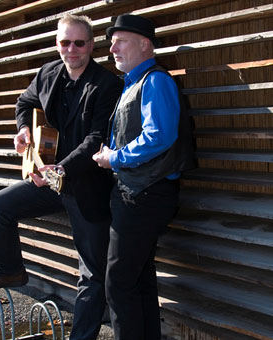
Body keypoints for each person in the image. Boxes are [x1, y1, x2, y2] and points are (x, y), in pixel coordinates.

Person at [0, 13, 123, 340]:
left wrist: (61, 168)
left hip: (87, 187)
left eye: (78, 43)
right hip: (50, 179)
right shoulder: (48, 72)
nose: (71, 49)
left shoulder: (108, 84)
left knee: (93, 275)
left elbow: (96, 139)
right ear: (57, 44)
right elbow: (23, 103)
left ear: (91, 45)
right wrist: (23, 129)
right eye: (64, 42)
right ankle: (10, 270)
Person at [92, 14, 194, 340]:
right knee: (139, 279)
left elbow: (159, 136)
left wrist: (114, 158)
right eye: (112, 43)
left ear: (144, 43)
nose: (112, 49)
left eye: (120, 41)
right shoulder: (135, 82)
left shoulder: (155, 81)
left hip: (145, 196)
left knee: (118, 283)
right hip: (138, 193)